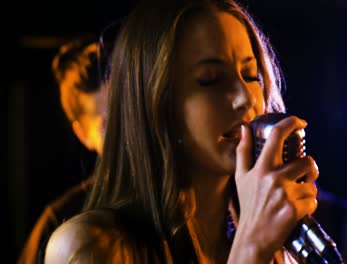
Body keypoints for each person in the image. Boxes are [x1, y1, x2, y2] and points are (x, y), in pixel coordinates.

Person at [44, 0, 321, 263]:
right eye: (210, 80)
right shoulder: (89, 247)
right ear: (155, 103)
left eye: (250, 75)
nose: (246, 98)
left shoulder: (279, 249)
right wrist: (251, 248)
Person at [17, 36, 109, 264]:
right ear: (83, 135)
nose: (127, 129)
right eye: (108, 125)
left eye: (129, 110)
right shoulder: (61, 222)